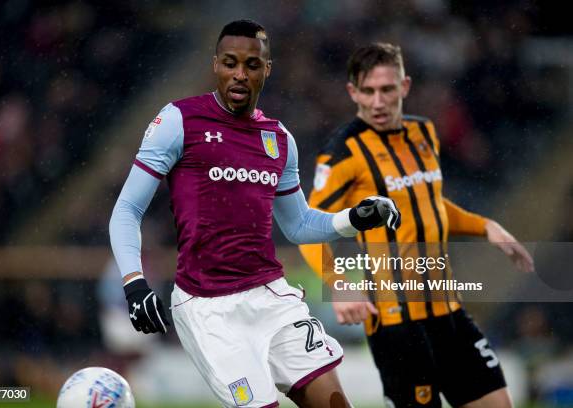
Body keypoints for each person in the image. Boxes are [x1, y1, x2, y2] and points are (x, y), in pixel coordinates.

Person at [109, 21, 400, 408]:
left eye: (251, 64)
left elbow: (297, 224)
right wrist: (134, 283)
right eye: (230, 63)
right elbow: (127, 209)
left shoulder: (279, 139)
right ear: (216, 65)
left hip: (271, 298)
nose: (240, 74)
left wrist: (353, 219)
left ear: (268, 68)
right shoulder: (180, 121)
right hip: (207, 308)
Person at [299, 43, 534, 408]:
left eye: (387, 90)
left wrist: (487, 226)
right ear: (353, 92)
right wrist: (338, 284)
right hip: (396, 324)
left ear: (404, 87)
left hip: (448, 311)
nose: (378, 102)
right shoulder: (343, 151)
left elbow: (427, 204)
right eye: (368, 91)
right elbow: (308, 226)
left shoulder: (423, 133)